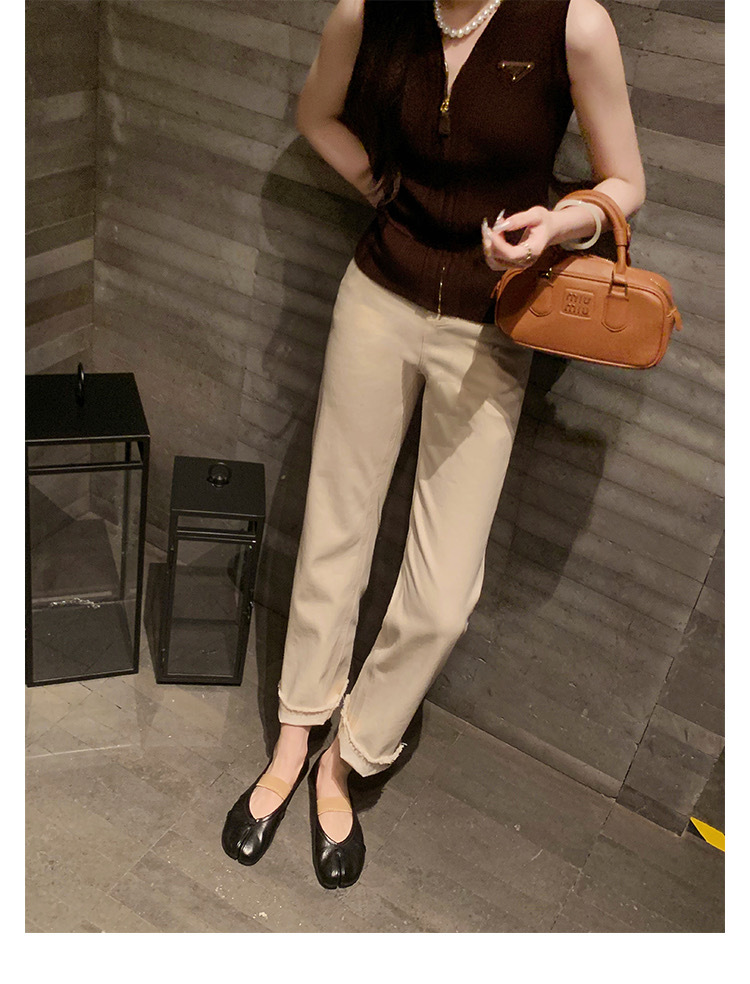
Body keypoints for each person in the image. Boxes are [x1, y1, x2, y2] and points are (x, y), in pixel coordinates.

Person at [222, 0, 646, 890]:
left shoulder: (571, 25)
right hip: (378, 299)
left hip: (493, 326)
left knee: (444, 593)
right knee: (335, 529)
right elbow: (316, 114)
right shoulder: (370, 12)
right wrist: (383, 190)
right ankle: (295, 737)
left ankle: (349, 755)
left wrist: (558, 225)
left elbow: (626, 183)